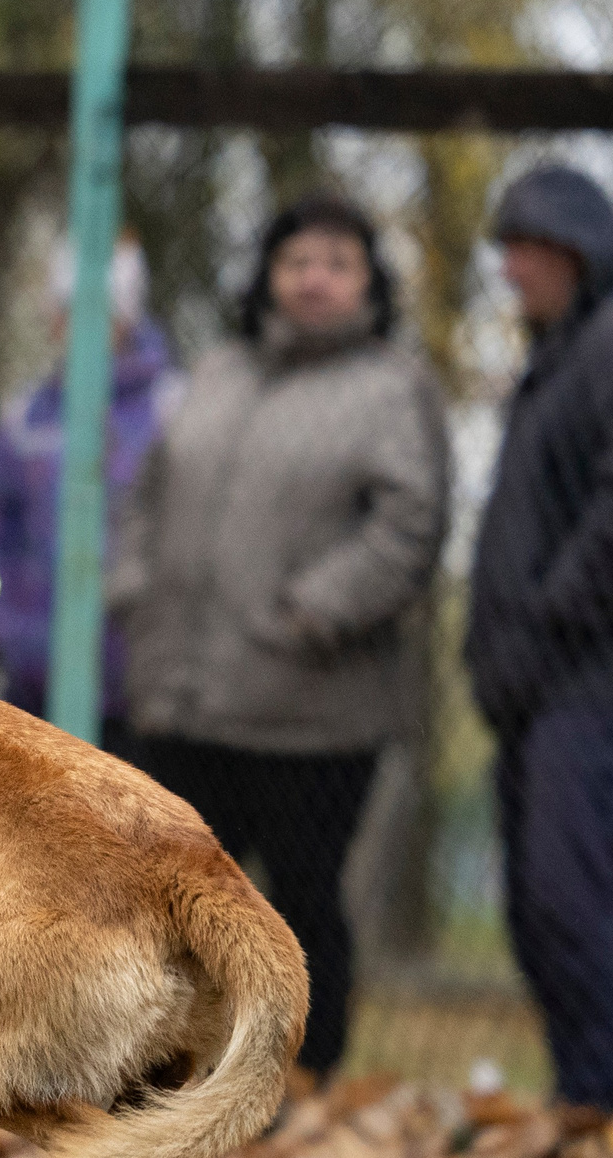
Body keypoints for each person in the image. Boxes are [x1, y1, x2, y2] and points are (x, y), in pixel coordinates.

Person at [110, 196, 449, 1086]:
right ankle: (164, 1072)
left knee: (299, 904)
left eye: (338, 261)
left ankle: (310, 1075)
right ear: (266, 275)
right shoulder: (216, 372)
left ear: (370, 283)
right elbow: (148, 496)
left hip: (312, 710)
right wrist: (134, 590)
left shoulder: (391, 388)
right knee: (171, 904)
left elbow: (411, 526)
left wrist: (315, 610)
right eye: (297, 259)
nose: (315, 276)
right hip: (182, 695)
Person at [466, 164, 613, 1116]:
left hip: (612, 685)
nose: (512, 269)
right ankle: (585, 1102)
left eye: (528, 248)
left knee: (572, 894)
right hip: (547, 686)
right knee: (538, 906)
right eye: (506, 250)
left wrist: (541, 615)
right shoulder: (559, 357)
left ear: (579, 248)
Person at [0, 233, 178, 729]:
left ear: (127, 317)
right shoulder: (25, 417)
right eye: (65, 311)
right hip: (32, 673)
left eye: (98, 313)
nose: (79, 327)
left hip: (138, 684)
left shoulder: (172, 410)